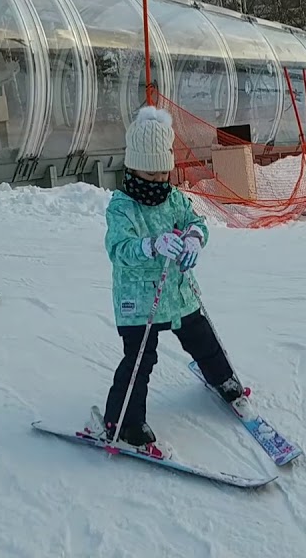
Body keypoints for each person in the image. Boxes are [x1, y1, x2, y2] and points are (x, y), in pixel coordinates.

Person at [82, 105, 243, 459]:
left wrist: (194, 238)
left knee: (201, 336)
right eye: (149, 174)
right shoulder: (122, 207)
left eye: (162, 174)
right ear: (132, 167)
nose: (156, 182)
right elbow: (118, 250)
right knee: (140, 357)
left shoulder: (174, 200)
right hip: (138, 301)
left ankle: (223, 378)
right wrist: (151, 245)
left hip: (177, 292)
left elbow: (196, 222)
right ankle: (123, 422)